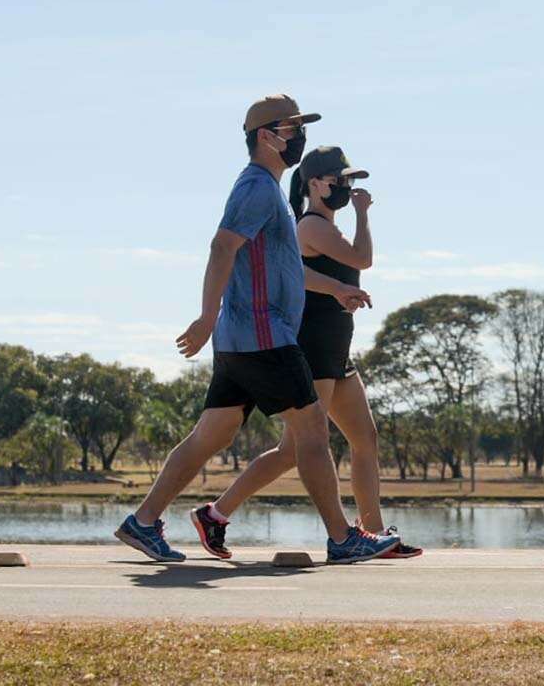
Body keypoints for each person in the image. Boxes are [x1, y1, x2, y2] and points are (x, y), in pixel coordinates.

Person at [114, 95, 400, 564]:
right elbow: (222, 246)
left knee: (213, 434)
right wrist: (206, 316)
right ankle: (342, 537)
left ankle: (143, 521)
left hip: (242, 337)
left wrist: (332, 289)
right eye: (292, 129)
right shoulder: (257, 188)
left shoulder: (268, 191)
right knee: (311, 431)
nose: (299, 138)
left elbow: (280, 266)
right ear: (266, 136)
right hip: (263, 334)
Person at [190, 146, 422, 560]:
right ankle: (216, 513)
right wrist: (364, 215)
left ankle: (372, 532)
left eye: (351, 181)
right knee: (292, 450)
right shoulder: (312, 225)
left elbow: (312, 274)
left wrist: (340, 291)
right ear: (315, 183)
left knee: (364, 438)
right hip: (313, 347)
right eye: (340, 180)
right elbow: (362, 260)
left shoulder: (323, 227)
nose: (347, 188)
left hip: (337, 349)